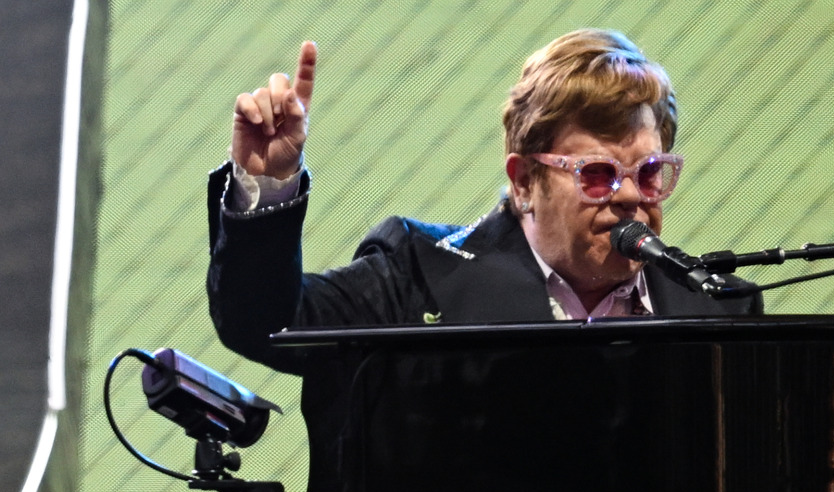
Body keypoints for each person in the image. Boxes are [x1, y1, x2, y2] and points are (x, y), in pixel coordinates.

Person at [207, 29, 762, 375]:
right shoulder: (418, 276)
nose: (632, 199)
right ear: (524, 182)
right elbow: (268, 325)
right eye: (597, 175)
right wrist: (270, 185)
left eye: (649, 172)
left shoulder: (721, 313)